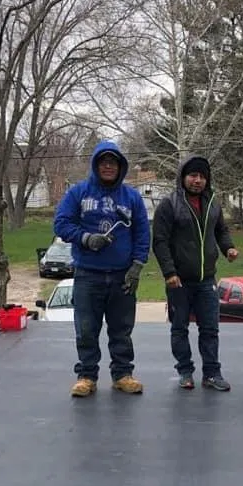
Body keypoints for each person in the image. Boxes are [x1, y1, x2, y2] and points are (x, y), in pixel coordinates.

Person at [54, 140, 150, 397]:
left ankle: (122, 374)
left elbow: (142, 233)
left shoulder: (132, 197)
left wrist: (137, 266)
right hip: (88, 275)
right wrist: (85, 238)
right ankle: (87, 376)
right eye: (103, 162)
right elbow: (61, 224)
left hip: (122, 276)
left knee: (122, 330)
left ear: (121, 167)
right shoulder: (78, 193)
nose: (108, 166)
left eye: (113, 162)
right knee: (86, 330)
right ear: (96, 165)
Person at [152, 155, 238, 391]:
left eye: (202, 176)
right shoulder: (169, 205)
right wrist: (169, 272)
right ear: (183, 177)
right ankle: (185, 371)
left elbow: (221, 231)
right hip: (178, 281)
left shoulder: (213, 204)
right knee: (179, 328)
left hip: (206, 280)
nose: (197, 180)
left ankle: (212, 373)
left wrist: (228, 248)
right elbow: (160, 241)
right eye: (192, 175)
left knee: (210, 329)